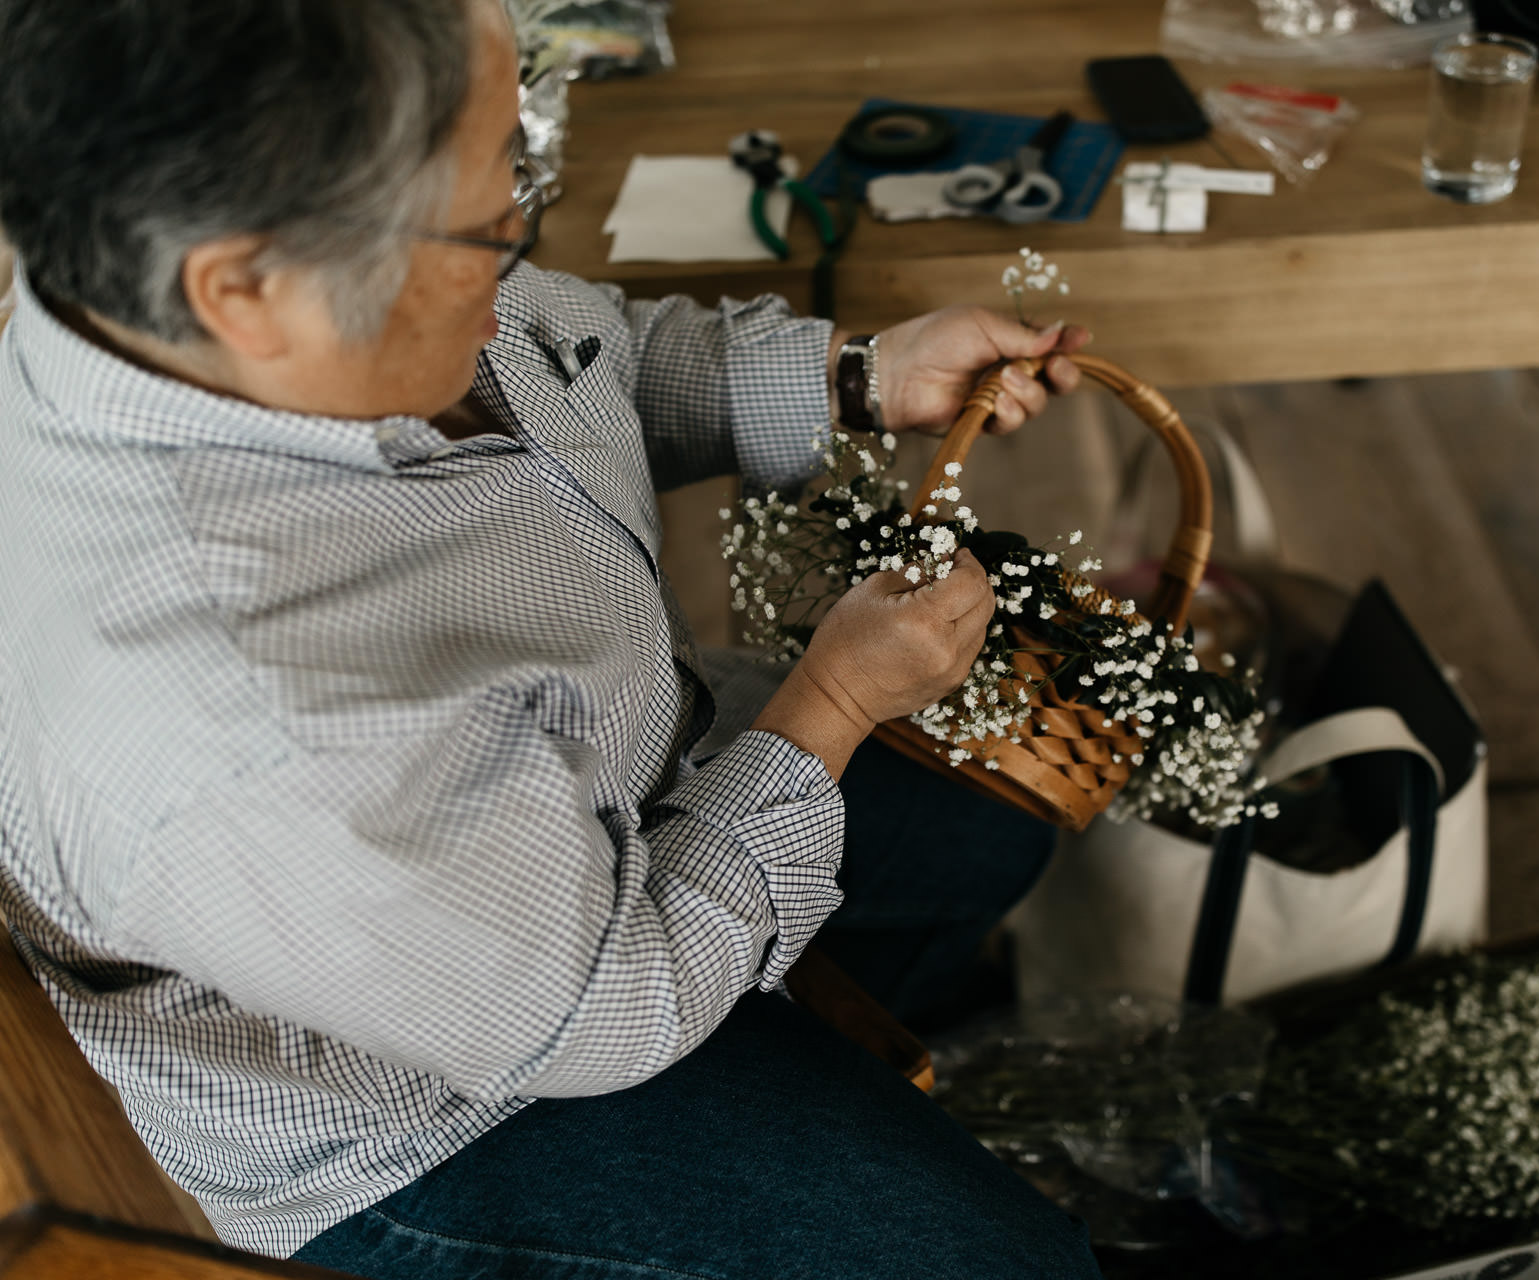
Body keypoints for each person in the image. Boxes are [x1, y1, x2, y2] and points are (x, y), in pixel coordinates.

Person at [0, 0, 1104, 1275]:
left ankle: (826, 1021)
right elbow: (607, 996)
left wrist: (854, 374)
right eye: (489, 219)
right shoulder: (245, 720)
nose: (520, 234)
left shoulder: (291, 289)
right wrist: (836, 704)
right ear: (247, 290)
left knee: (991, 822)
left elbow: (582, 353)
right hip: (449, 1102)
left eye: (518, 164)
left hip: (615, 791)